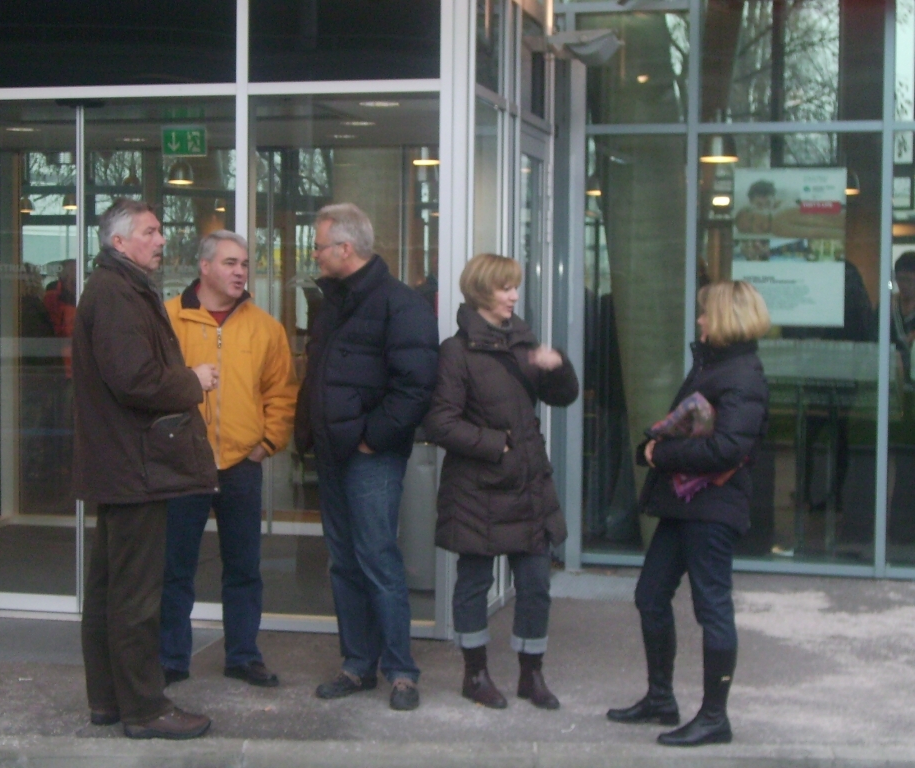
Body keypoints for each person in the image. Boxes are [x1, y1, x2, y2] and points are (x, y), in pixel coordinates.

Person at [74, 198, 219, 740]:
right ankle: (144, 709)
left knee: (110, 589)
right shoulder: (116, 294)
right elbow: (135, 379)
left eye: (160, 231)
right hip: (135, 464)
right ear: (119, 243)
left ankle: (109, 700)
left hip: (123, 462)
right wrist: (191, 380)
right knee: (134, 595)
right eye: (150, 232)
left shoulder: (115, 288)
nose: (161, 240)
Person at [606, 280, 770, 747]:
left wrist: (660, 454)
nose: (699, 320)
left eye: (705, 313)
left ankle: (715, 718)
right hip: (687, 504)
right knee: (650, 595)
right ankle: (661, 699)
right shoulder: (717, 365)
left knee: (712, 608)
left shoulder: (742, 375)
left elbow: (727, 449)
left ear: (725, 319)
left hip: (712, 509)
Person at [295, 203, 439, 711]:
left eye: (318, 246)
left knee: (378, 559)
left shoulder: (401, 304)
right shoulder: (333, 302)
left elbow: (415, 386)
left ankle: (401, 673)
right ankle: (357, 665)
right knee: (344, 563)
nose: (314, 254)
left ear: (345, 248)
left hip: (368, 456)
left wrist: (370, 440)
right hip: (332, 452)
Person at [423, 253, 579, 711]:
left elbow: (563, 396)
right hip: (479, 490)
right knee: (474, 583)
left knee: (536, 585)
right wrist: (497, 444)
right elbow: (440, 423)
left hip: (528, 484)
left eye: (514, 287)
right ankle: (475, 675)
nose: (514, 295)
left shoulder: (522, 340)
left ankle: (532, 675)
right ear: (481, 292)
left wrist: (557, 365)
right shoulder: (456, 351)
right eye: (504, 288)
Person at [160, 231, 298, 687]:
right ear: (204, 267)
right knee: (175, 568)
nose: (241, 272)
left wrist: (268, 442)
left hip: (241, 463)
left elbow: (281, 392)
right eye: (230, 263)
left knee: (243, 568)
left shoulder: (265, 327)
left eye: (244, 263)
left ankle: (242, 656)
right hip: (184, 462)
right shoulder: (167, 320)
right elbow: (152, 384)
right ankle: (170, 660)